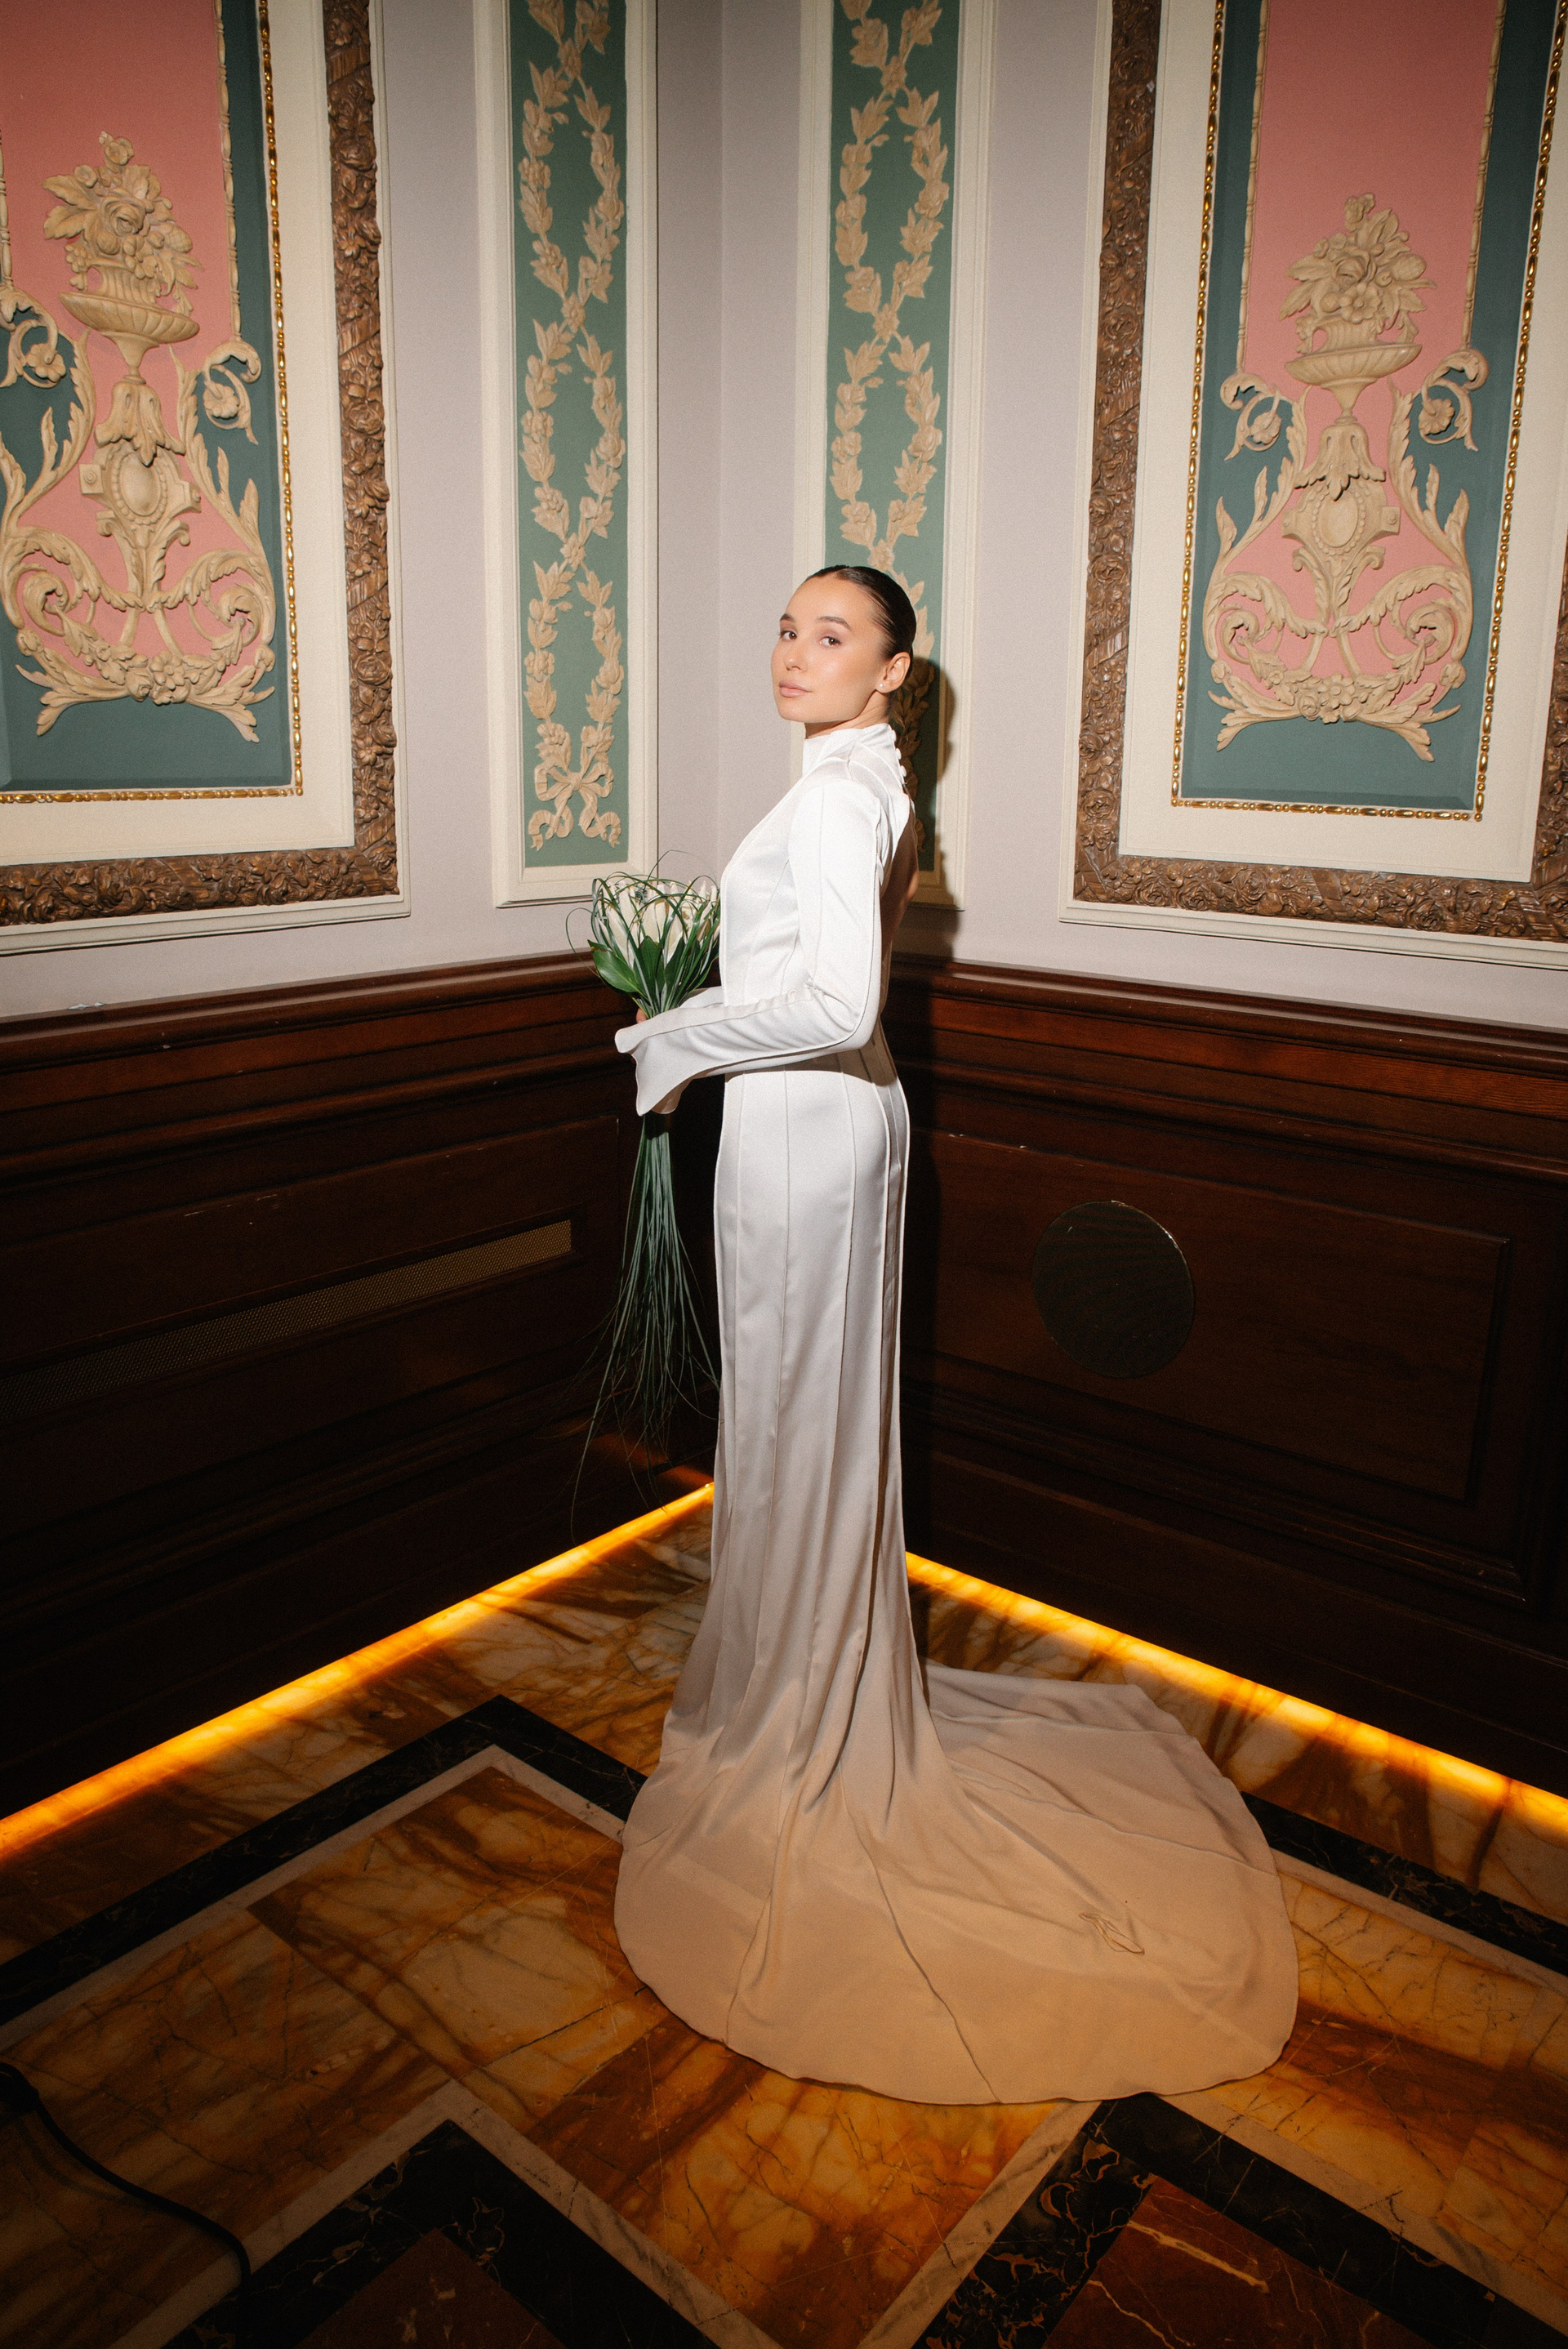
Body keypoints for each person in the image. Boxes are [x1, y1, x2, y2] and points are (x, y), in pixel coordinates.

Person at [611, 565, 1298, 2102]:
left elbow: (829, 1003)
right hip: (839, 1127)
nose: (794, 652)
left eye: (832, 636)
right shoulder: (869, 785)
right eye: (786, 627)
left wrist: (673, 1037)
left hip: (805, 1125)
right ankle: (800, 1685)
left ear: (893, 671)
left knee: (798, 1419)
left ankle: (797, 1725)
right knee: (811, 1419)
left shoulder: (844, 798)